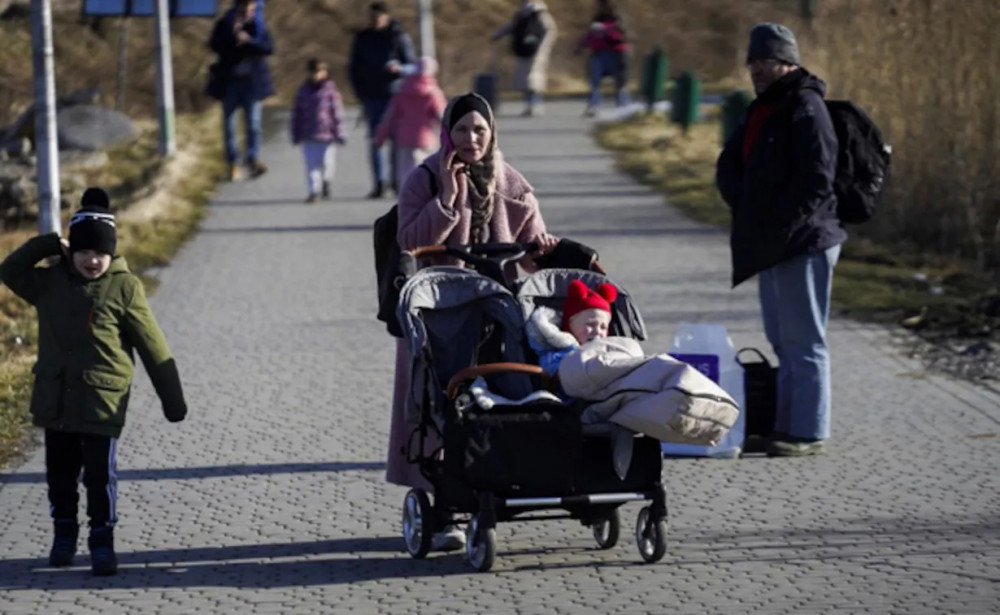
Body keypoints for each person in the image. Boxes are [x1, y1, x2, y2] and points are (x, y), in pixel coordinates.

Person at [389, 92, 559, 551]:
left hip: (498, 313)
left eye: (479, 129)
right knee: (445, 406)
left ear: (492, 132)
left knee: (501, 402)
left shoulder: (509, 179)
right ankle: (445, 510)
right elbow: (409, 241)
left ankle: (497, 486)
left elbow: (531, 251)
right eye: (461, 129)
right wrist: (447, 198)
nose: (471, 138)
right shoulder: (423, 178)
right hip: (442, 314)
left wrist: (541, 246)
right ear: (447, 133)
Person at [0, 188, 187, 576]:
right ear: (72, 252)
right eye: (84, 251)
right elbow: (9, 271)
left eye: (100, 253)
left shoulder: (124, 287)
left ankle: (102, 541)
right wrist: (50, 242)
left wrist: (173, 400)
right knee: (60, 478)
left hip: (102, 402)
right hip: (56, 400)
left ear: (112, 252)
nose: (92, 260)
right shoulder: (48, 282)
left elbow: (153, 345)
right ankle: (63, 535)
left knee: (100, 479)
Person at [715, 23, 846, 457]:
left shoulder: (805, 106)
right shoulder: (764, 108)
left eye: (765, 61)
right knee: (783, 340)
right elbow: (734, 164)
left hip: (804, 241)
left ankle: (809, 431)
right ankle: (786, 427)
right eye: (752, 61)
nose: (757, 69)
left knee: (804, 341)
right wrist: (745, 207)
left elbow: (817, 180)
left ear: (788, 61)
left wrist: (783, 226)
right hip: (775, 242)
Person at [348, 1, 417, 199]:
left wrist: (400, 69)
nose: (375, 21)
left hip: (396, 95)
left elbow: (413, 66)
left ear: (386, 17)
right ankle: (379, 183)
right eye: (372, 18)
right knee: (375, 140)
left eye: (378, 17)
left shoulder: (398, 37)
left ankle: (397, 181)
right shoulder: (362, 38)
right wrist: (360, 92)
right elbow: (354, 68)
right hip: (371, 96)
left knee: (397, 141)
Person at [207, 0, 275, 182]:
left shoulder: (258, 25)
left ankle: (253, 160)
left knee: (253, 123)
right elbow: (214, 45)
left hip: (252, 84)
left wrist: (249, 41)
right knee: (229, 125)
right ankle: (233, 164)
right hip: (230, 82)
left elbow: (268, 48)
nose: (247, 12)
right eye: (244, 9)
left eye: (251, 9)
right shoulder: (224, 24)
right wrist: (232, 36)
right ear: (238, 8)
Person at [374, 57, 447, 193]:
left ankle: (406, 199)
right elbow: (442, 117)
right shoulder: (433, 93)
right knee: (424, 171)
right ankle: (421, 200)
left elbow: (389, 118)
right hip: (426, 138)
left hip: (404, 138)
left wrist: (380, 137)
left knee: (405, 172)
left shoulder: (402, 92)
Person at [526, 279, 616, 376]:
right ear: (570, 324)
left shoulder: (610, 350)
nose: (598, 331)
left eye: (603, 327)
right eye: (590, 324)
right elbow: (555, 373)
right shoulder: (557, 353)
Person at [291, 59, 346, 203]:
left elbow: (337, 114)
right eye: (313, 72)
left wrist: (339, 133)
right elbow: (297, 114)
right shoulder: (303, 91)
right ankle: (313, 191)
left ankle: (326, 181)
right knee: (311, 165)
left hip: (327, 135)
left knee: (327, 162)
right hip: (308, 135)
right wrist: (296, 133)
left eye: (319, 71)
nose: (316, 75)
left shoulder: (330, 91)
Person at [490, 1, 558, 117]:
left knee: (533, 79)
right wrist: (497, 35)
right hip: (524, 51)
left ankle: (535, 104)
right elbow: (512, 26)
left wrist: (544, 47)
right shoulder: (525, 13)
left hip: (535, 52)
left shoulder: (539, 13)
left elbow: (550, 31)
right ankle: (530, 105)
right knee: (526, 80)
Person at [575, 0, 630, 117]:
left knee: (620, 82)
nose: (601, 7)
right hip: (598, 53)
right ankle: (593, 105)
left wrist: (605, 30)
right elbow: (590, 35)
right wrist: (580, 45)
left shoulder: (618, 20)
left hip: (616, 54)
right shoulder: (597, 19)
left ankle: (623, 106)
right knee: (594, 80)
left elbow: (622, 36)